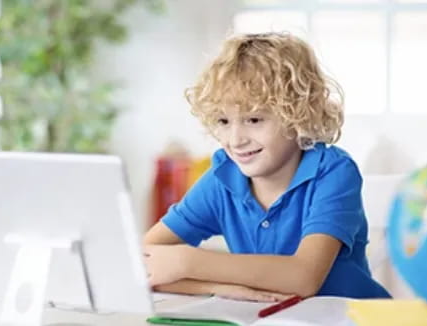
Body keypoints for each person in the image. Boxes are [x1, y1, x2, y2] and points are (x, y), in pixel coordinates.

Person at [143, 32, 391, 302]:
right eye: (224, 121)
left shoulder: (332, 172)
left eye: (254, 119)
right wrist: (219, 288)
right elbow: (144, 261)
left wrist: (189, 261)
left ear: (298, 115)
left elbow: (303, 278)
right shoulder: (223, 177)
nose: (235, 140)